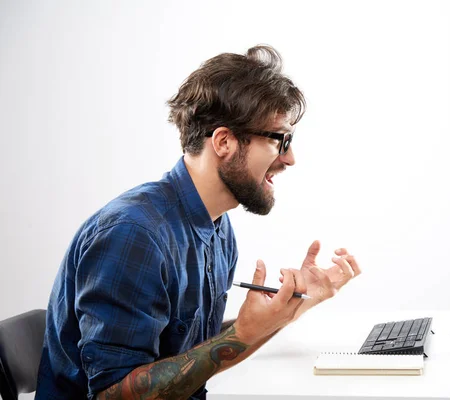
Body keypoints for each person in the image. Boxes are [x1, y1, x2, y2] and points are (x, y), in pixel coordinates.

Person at [35, 44, 361, 400]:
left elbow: (198, 354)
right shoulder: (133, 234)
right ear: (224, 142)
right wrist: (244, 334)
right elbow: (111, 394)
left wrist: (292, 307)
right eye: (281, 140)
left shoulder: (218, 229)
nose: (291, 158)